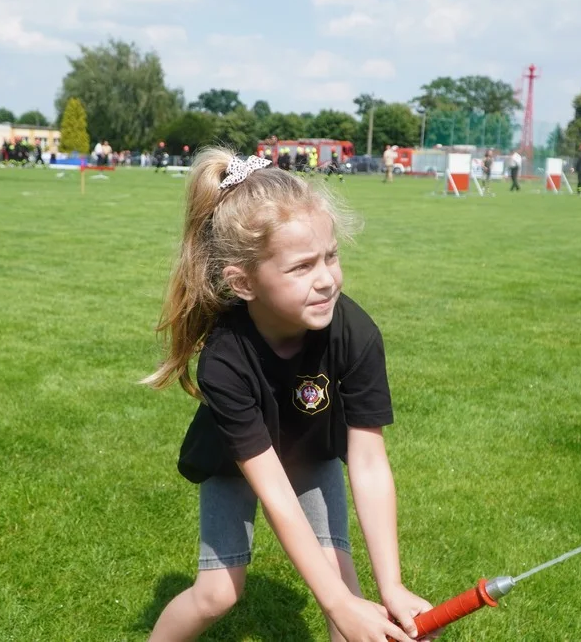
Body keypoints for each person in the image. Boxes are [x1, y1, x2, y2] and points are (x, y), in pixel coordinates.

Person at [143, 148, 434, 642]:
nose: (326, 280)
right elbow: (275, 492)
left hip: (312, 449)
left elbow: (367, 462)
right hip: (235, 462)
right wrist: (340, 606)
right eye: (301, 267)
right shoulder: (225, 359)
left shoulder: (355, 332)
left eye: (331, 256)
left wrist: (392, 587)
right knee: (218, 594)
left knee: (345, 587)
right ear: (244, 282)